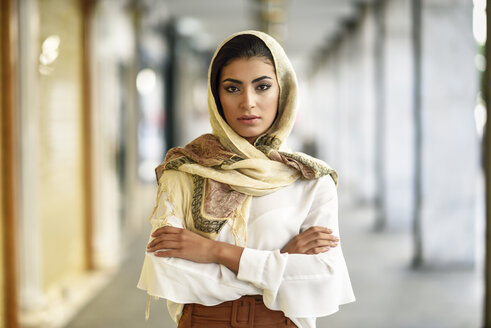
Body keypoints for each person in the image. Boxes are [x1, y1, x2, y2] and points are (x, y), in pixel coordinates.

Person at [137, 30, 355, 328]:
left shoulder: (312, 179)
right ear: (217, 96)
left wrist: (213, 252)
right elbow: (168, 273)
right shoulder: (184, 171)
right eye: (233, 88)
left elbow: (321, 277)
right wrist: (282, 259)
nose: (248, 102)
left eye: (262, 86)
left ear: (284, 91)